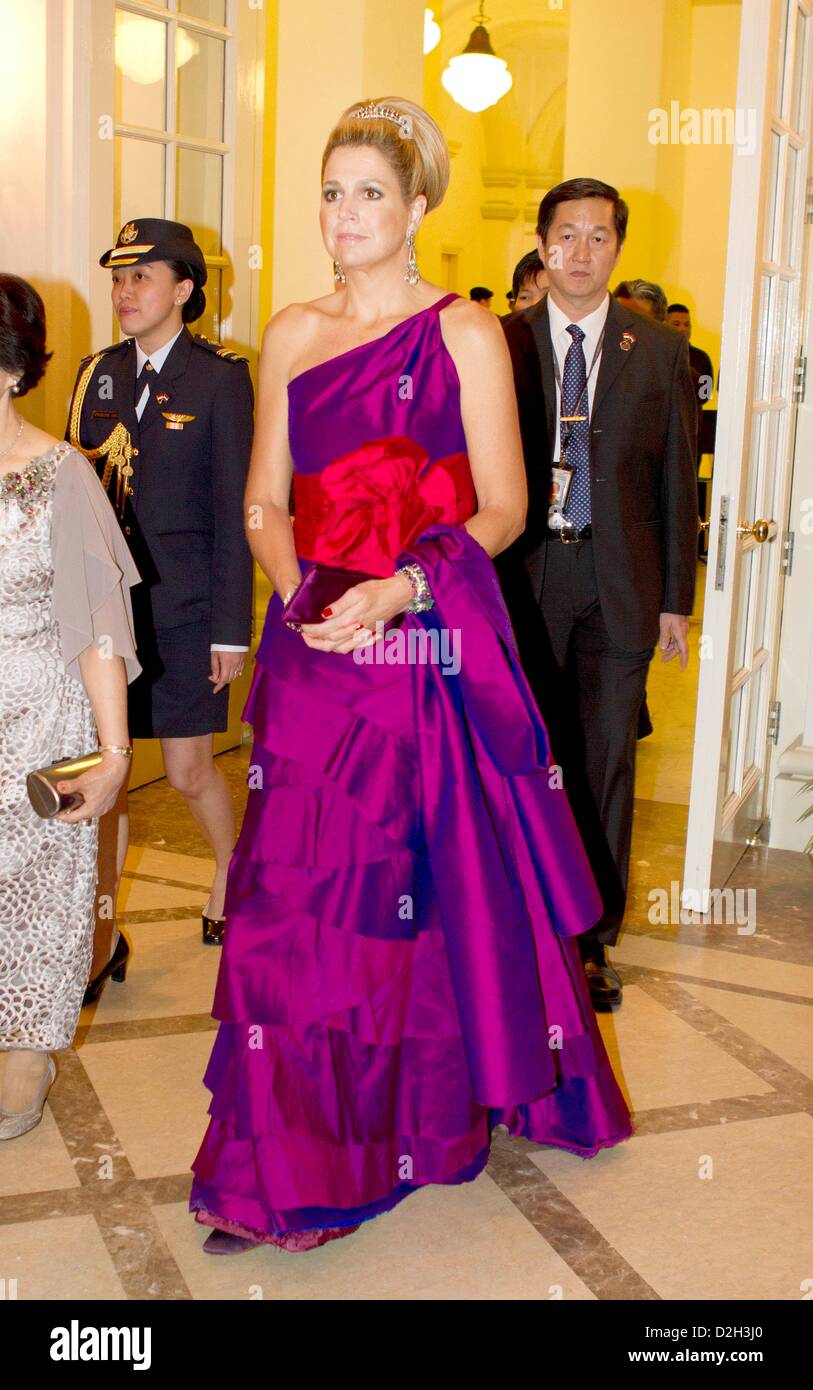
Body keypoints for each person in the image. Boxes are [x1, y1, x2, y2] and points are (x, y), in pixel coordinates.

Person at [189, 99, 632, 1256]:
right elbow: (264, 499)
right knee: (283, 904)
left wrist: (400, 590)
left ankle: (404, 1125)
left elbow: (503, 506)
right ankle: (277, 1147)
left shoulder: (466, 335)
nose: (344, 214)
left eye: (369, 193)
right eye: (331, 192)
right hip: (309, 644)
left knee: (395, 900)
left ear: (418, 206)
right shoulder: (287, 332)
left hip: (409, 642)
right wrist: (295, 590)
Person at [499, 178, 697, 1011]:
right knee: (522, 756)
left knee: (604, 760)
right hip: (522, 577)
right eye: (566, 236)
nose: (581, 252)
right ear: (542, 246)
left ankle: (589, 939)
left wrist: (674, 601)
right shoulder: (497, 342)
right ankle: (521, 921)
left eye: (598, 237)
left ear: (618, 247)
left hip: (619, 581)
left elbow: (676, 480)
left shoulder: (655, 350)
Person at [66, 221, 255, 970]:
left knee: (184, 770)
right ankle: (100, 931)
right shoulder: (94, 374)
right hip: (105, 610)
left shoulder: (220, 378)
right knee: (105, 770)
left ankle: (230, 866)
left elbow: (236, 509)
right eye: (119, 278)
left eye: (143, 277)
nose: (125, 292)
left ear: (184, 289)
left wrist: (228, 631)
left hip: (182, 611)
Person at [0, 274, 140, 1138]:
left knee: (43, 888)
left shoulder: (62, 477)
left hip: (39, 715)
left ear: (11, 368)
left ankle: (26, 1046)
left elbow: (98, 628)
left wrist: (116, 753)